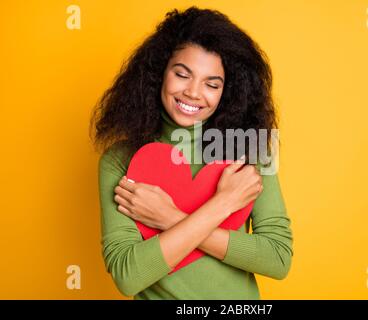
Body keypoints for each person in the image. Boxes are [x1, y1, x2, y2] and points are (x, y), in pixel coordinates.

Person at [89, 6, 293, 300]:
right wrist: (224, 203)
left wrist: (169, 217)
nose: (194, 93)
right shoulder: (120, 160)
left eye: (212, 84)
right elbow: (128, 276)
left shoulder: (249, 149)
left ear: (228, 91)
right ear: (159, 72)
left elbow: (278, 258)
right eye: (182, 75)